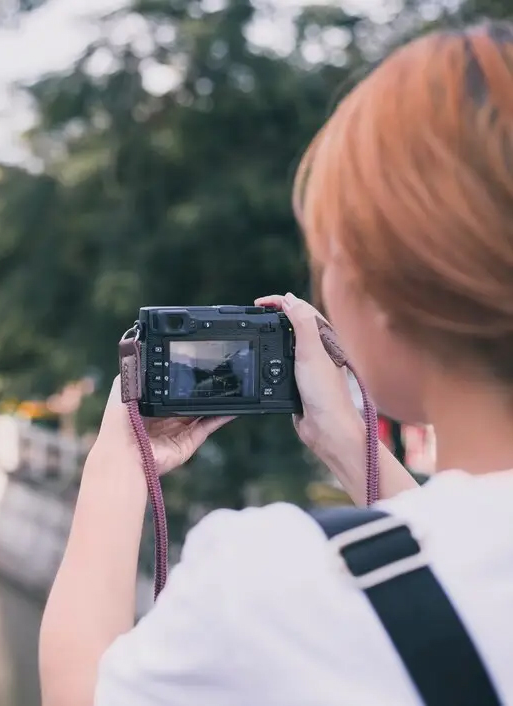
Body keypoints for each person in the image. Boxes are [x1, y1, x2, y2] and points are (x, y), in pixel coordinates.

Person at [39, 20, 513, 706]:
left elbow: (81, 694)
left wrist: (117, 465)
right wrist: (346, 440)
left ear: (386, 290)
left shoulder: (274, 586)